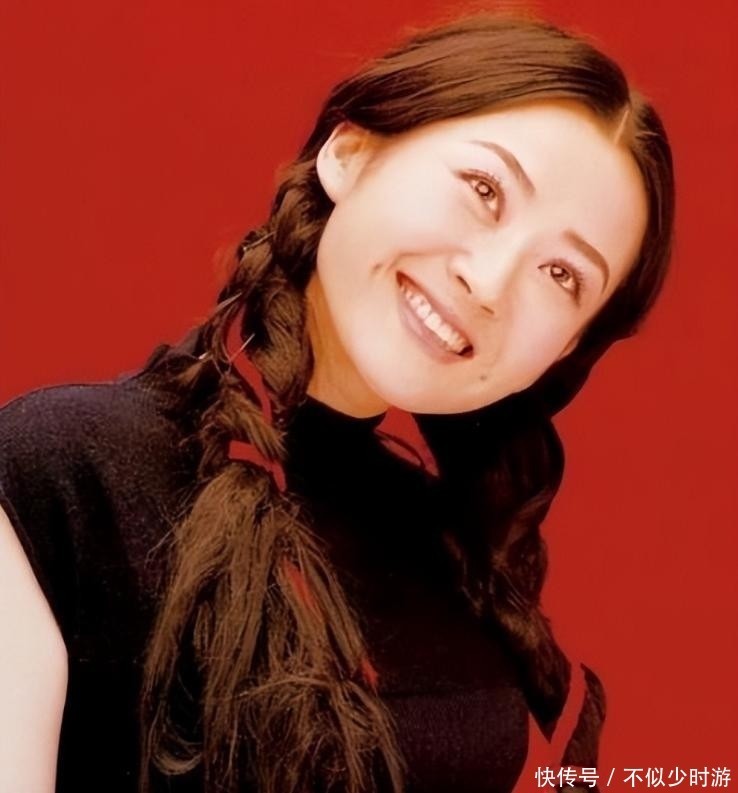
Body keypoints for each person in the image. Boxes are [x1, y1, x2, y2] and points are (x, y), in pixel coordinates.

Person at [0, 11, 674, 793]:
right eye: (483, 189)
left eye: (562, 275)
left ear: (564, 350)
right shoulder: (62, 478)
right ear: (350, 154)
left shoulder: (460, 568)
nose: (490, 284)